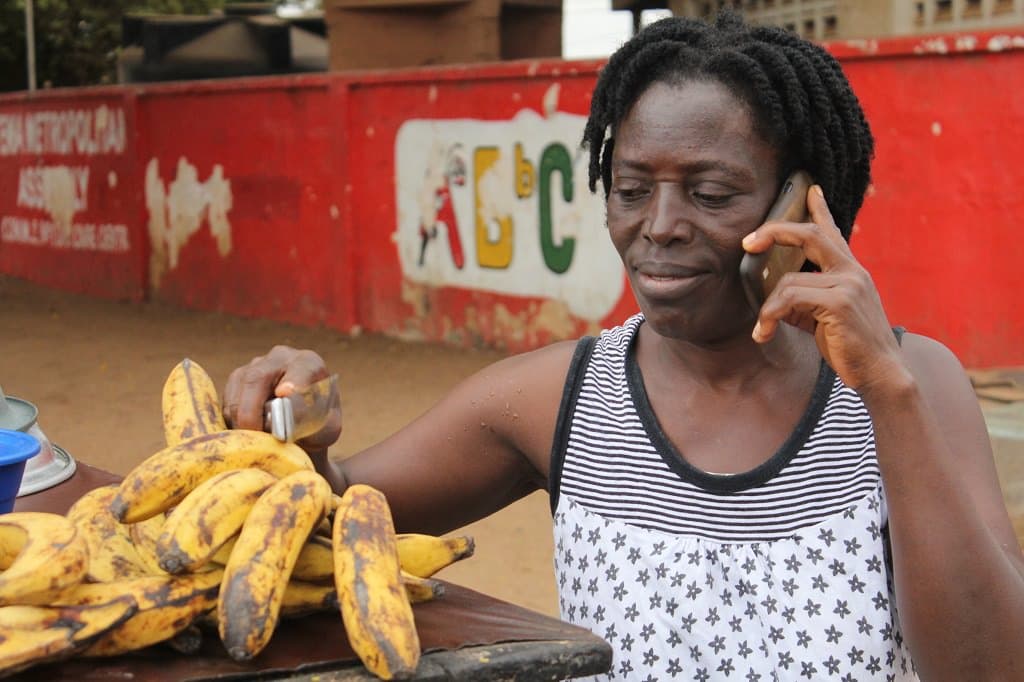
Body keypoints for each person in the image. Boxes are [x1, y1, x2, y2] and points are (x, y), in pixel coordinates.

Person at [223, 12, 1024, 681]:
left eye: (710, 194)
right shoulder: (555, 400)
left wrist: (887, 391)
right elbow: (328, 517)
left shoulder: (911, 384)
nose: (660, 226)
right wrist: (297, 429)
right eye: (631, 190)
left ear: (803, 206)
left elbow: (990, 666)